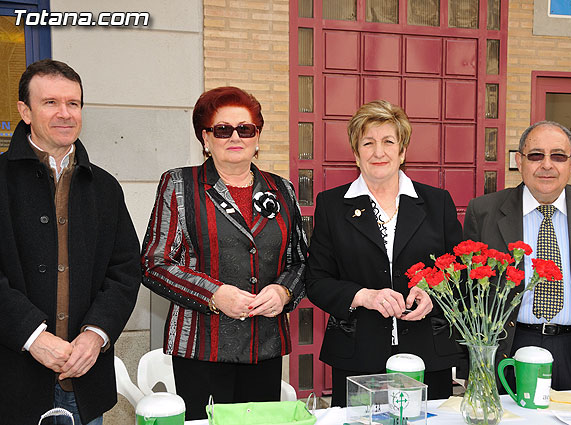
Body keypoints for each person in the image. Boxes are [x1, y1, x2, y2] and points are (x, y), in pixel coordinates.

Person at [141, 86, 307, 419]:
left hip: (265, 346)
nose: (235, 137)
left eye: (245, 129)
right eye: (222, 129)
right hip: (201, 347)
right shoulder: (179, 185)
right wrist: (214, 294)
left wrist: (284, 291)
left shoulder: (282, 188)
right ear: (205, 139)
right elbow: (154, 264)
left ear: (257, 137)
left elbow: (302, 261)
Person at [0, 59, 141, 424]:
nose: (65, 114)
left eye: (73, 103)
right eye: (50, 103)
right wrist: (33, 336)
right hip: (12, 382)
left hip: (85, 381)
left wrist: (95, 335)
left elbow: (125, 270)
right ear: (24, 111)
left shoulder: (105, 187)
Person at [305, 100, 463, 407]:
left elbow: (460, 270)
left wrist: (435, 294)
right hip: (357, 356)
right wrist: (363, 296)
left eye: (389, 141)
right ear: (356, 153)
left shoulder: (436, 202)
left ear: (403, 151)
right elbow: (317, 281)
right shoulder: (332, 206)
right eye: (368, 143)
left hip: (428, 354)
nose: (379, 152)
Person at [464, 120, 571, 390]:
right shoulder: (484, 212)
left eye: (558, 156)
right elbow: (470, 297)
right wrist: (473, 365)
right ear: (520, 161)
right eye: (536, 155)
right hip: (510, 353)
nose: (547, 165)